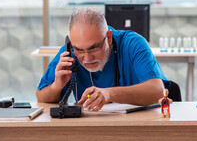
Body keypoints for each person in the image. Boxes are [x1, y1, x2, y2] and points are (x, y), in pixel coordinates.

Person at [36, 8, 169, 111]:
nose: (87, 58)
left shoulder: (133, 44)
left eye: (94, 48)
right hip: (91, 131)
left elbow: (157, 91)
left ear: (109, 37)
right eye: (80, 50)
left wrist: (109, 94)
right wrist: (56, 86)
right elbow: (41, 97)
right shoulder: (68, 53)